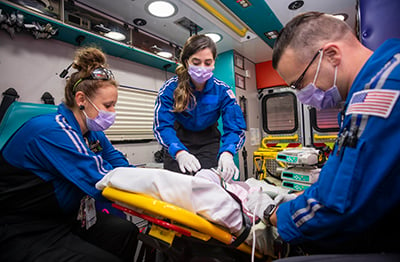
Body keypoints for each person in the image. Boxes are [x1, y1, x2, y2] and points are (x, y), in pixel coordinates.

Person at [248, 11, 400, 256]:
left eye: (300, 84)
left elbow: (337, 206)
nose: (303, 97)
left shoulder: (378, 93)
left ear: (331, 54)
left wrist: (272, 213)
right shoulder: (387, 70)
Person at [0, 47, 140, 262]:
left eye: (115, 105)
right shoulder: (51, 131)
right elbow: (101, 179)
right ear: (81, 98)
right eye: (108, 105)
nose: (113, 112)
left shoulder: (92, 133)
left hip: (66, 218)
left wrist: (145, 181)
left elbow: (117, 162)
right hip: (21, 228)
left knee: (125, 231)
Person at [153, 34, 246, 181]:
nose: (202, 68)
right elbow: (162, 126)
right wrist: (179, 152)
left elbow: (235, 127)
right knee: (177, 188)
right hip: (178, 140)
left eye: (208, 63)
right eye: (196, 62)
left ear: (214, 62)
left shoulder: (222, 91)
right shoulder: (170, 89)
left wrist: (227, 152)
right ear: (186, 62)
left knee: (208, 188)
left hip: (208, 142)